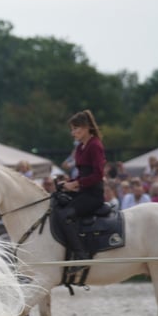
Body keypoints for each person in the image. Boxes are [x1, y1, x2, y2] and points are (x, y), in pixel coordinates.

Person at [56, 109, 106, 273]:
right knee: (57, 204)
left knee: (65, 216)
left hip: (93, 195)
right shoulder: (80, 148)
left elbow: (98, 175)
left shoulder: (95, 145)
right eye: (72, 129)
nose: (73, 133)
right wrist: (67, 183)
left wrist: (76, 183)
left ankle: (81, 255)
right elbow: (82, 174)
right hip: (83, 191)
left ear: (86, 128)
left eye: (75, 129)